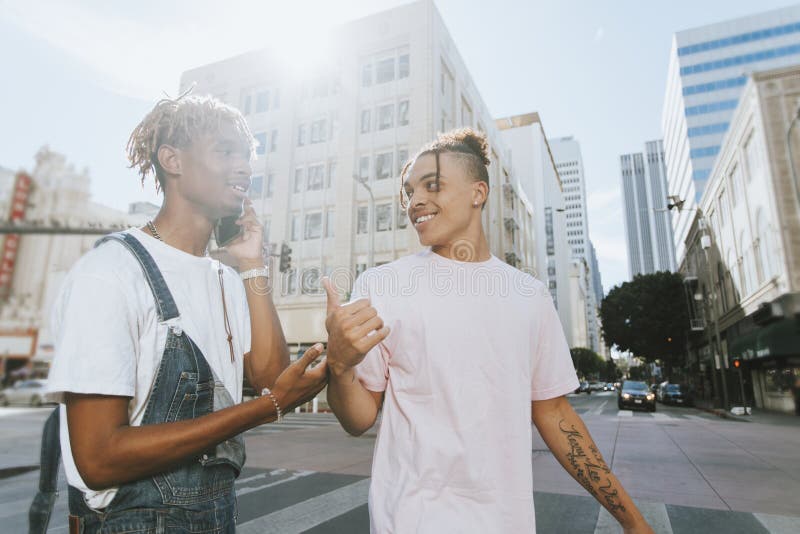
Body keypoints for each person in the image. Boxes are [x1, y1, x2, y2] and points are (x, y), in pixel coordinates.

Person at [323, 129, 654, 533]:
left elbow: (554, 415)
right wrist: (339, 367)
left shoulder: (529, 296)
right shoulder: (382, 286)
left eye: (433, 185)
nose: (416, 202)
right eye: (410, 192)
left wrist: (633, 521)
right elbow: (358, 419)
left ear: (478, 193)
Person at [36, 94, 327, 533]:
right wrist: (264, 409)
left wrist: (253, 265)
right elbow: (98, 459)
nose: (244, 167)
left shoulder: (228, 280)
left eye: (247, 155)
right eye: (225, 151)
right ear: (172, 159)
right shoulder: (112, 271)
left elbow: (271, 378)